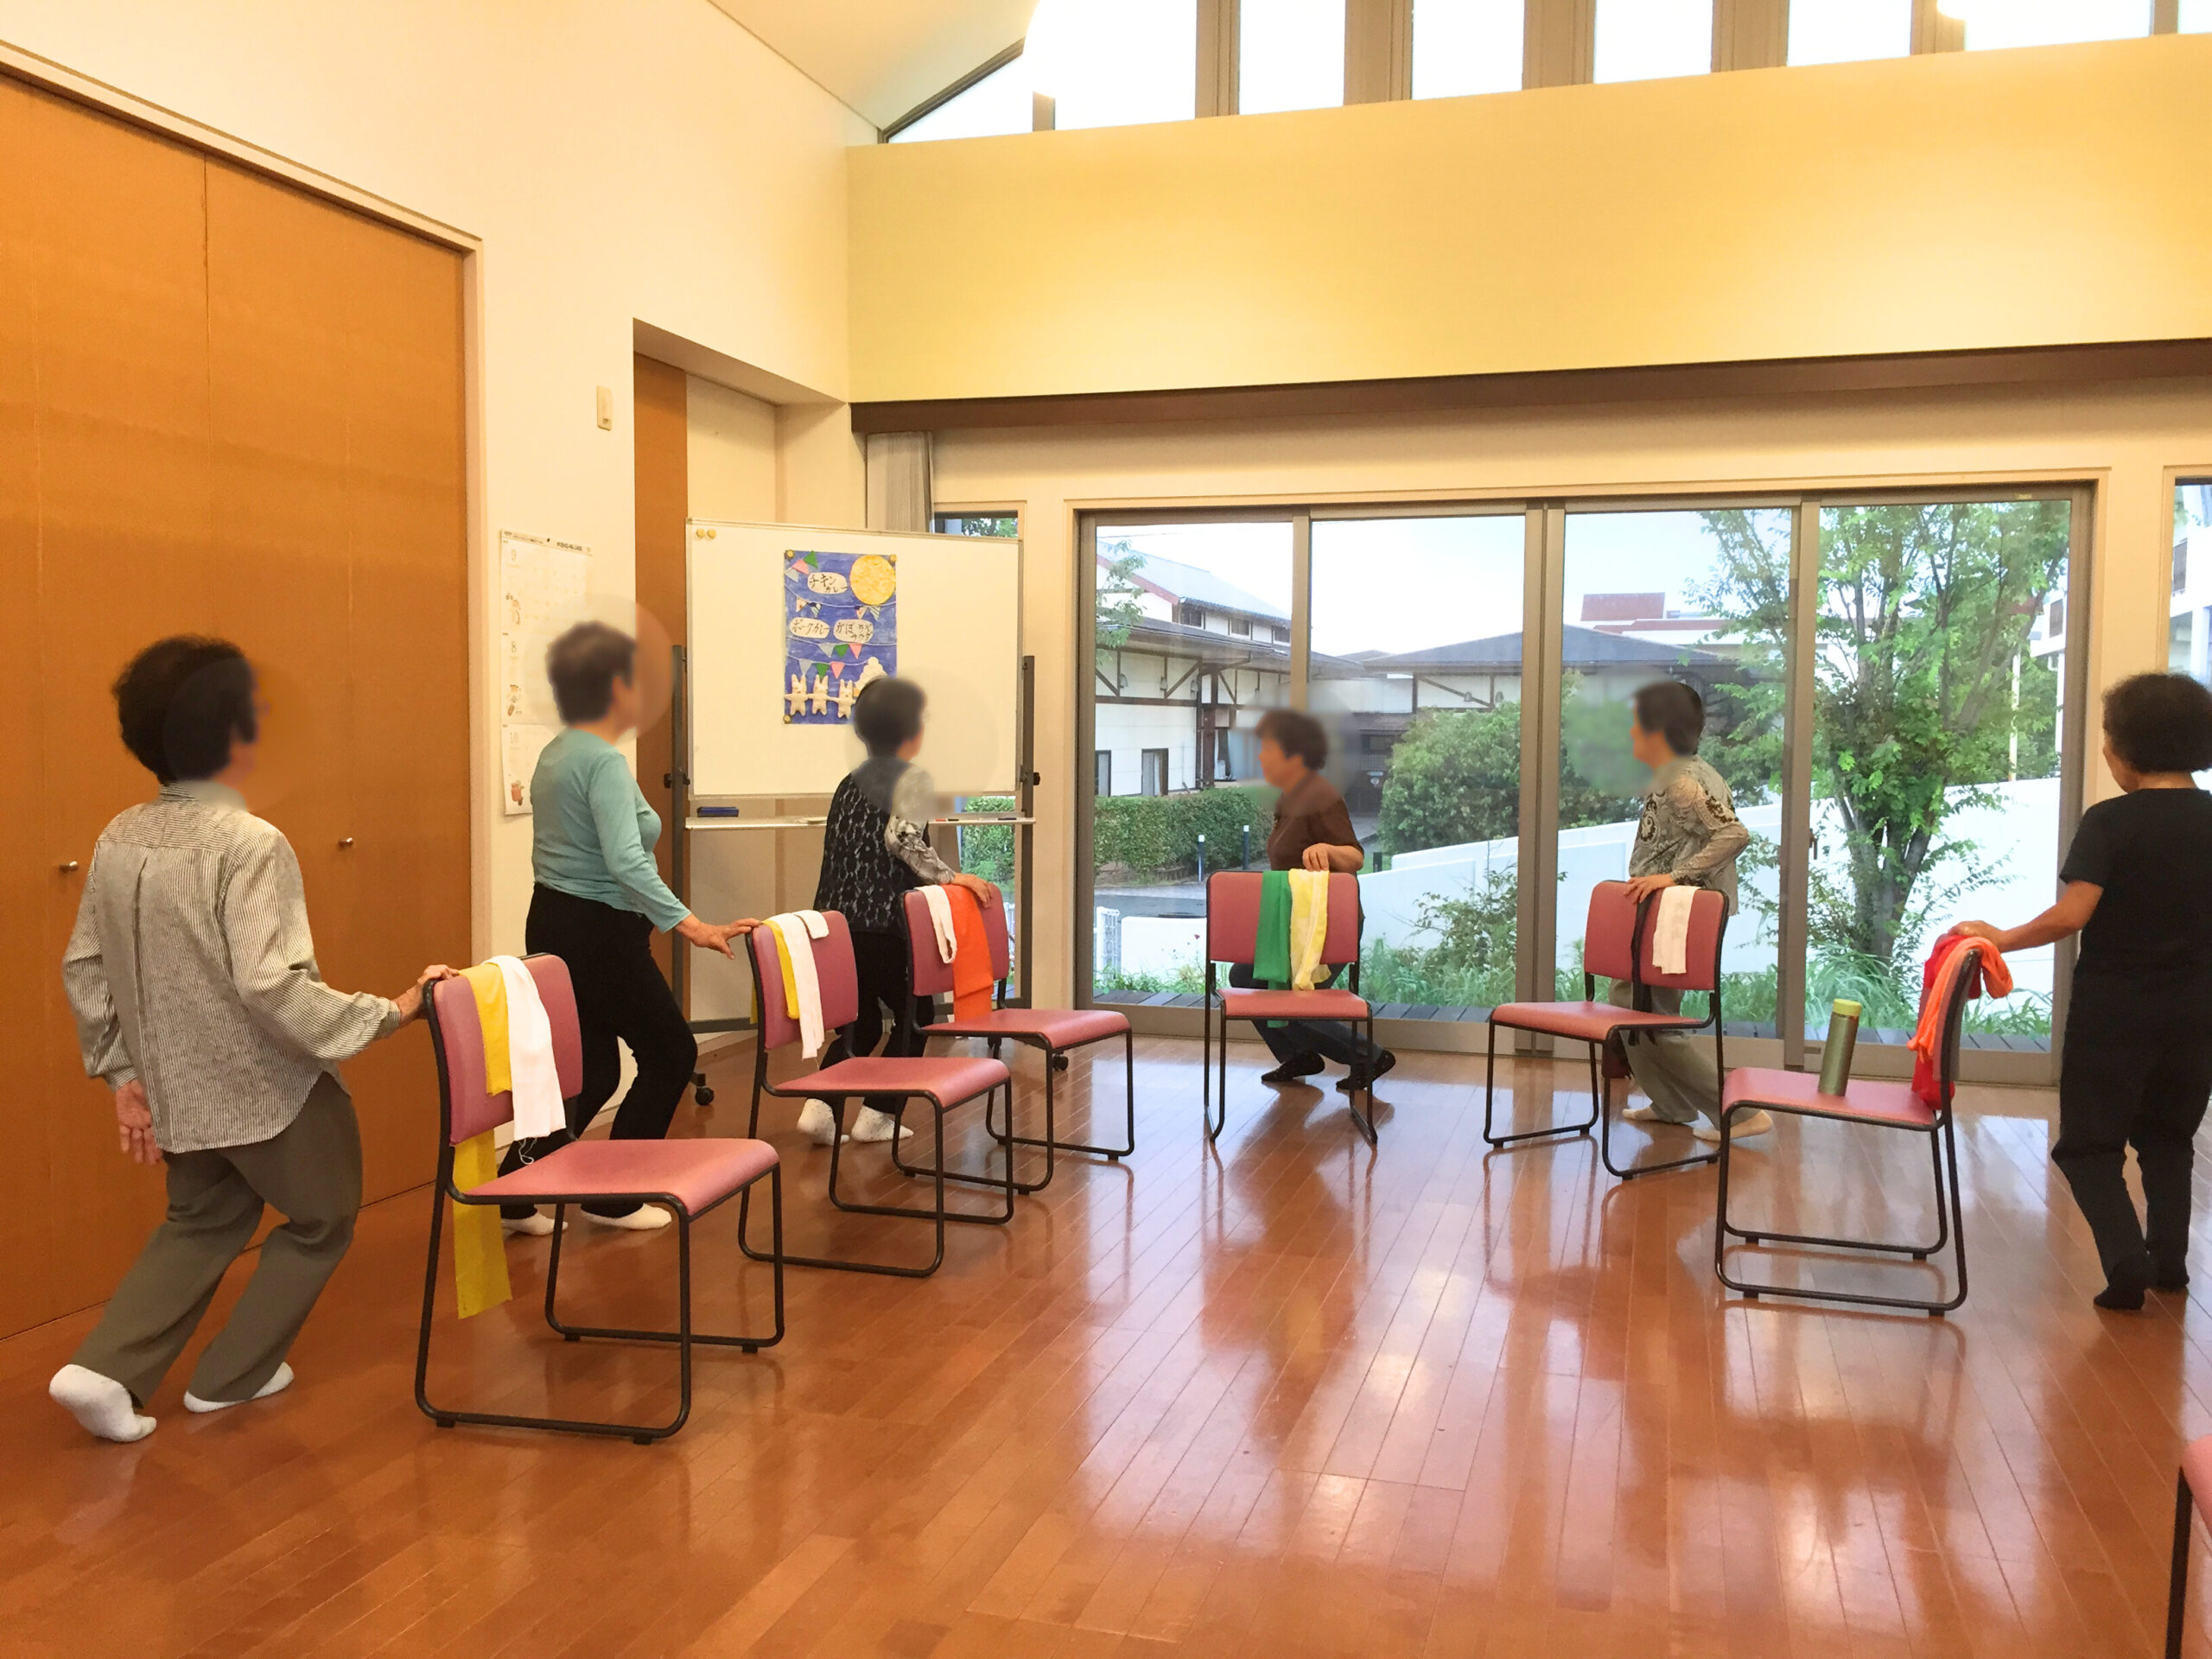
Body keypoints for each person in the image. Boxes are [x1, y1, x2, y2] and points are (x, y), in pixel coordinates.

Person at [49, 637, 454, 1444]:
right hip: (267, 1089)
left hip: (175, 1090)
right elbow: (271, 986)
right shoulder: (249, 842)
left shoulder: (120, 835)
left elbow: (84, 966)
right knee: (324, 1217)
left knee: (202, 1219)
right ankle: (229, 1376)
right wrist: (396, 1009)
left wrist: (122, 1074)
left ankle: (102, 1371)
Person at [1953, 672, 2212, 1312]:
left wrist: (2000, 937)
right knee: (2169, 1138)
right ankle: (2170, 1264)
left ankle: (2127, 1261)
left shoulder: (2111, 822)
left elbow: (2073, 915)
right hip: (2198, 1010)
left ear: (2123, 749)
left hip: (2115, 1011)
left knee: (2089, 1146)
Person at [499, 622, 753, 1232]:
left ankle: (513, 1188)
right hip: (599, 933)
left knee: (595, 1070)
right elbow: (626, 861)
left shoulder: (557, 752)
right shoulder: (602, 761)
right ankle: (613, 1195)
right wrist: (690, 925)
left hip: (557, 924)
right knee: (671, 1052)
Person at [807, 677, 1001, 1144]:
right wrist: (952, 878)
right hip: (884, 925)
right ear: (911, 730)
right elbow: (902, 838)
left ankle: (820, 1108)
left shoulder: (848, 783)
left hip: (835, 927)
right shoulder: (911, 779)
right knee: (919, 1018)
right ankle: (878, 1113)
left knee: (861, 1024)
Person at [1613, 680, 1759, 1142]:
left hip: (1677, 917)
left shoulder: (1680, 782)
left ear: (1657, 731)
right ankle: (1671, 1105)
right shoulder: (1681, 773)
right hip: (1663, 915)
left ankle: (1739, 1114)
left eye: (1635, 725)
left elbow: (1735, 834)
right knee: (1628, 1004)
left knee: (1654, 1021)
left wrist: (1674, 877)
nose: (1630, 734)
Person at [1238, 708, 1396, 1096]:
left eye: (1267, 749)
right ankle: (1301, 1056)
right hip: (1295, 926)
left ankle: (1370, 1056)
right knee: (1244, 978)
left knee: (1291, 997)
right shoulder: (1289, 798)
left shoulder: (1319, 795)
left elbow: (1354, 857)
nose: (1261, 757)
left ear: (1294, 753)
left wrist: (1327, 849)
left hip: (1327, 925)